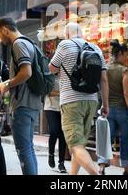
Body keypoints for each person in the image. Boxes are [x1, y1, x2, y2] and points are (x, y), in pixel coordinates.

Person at [0, 17, 42, 175]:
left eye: (0, 35)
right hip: (31, 103)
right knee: (28, 149)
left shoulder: (18, 44)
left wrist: (6, 85)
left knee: (23, 150)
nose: (0, 40)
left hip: (22, 103)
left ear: (6, 30)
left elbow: (26, 73)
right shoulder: (28, 42)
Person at [48, 22, 109, 175]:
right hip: (91, 101)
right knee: (79, 143)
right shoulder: (95, 48)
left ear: (67, 34)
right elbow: (104, 80)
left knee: (75, 145)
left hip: (71, 101)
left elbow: (51, 68)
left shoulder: (65, 45)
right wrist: (106, 104)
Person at [98, 40, 128, 175]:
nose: (126, 58)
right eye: (125, 55)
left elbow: (102, 88)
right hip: (122, 110)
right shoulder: (124, 70)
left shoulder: (105, 69)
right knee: (125, 138)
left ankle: (102, 166)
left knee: (106, 138)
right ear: (119, 54)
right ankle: (126, 168)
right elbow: (126, 93)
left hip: (108, 108)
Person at [44, 76, 67, 173]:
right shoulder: (50, 76)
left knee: (63, 135)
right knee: (54, 131)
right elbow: (48, 92)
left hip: (63, 108)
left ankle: (61, 163)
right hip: (50, 107)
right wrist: (62, 93)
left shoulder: (66, 77)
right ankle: (51, 154)